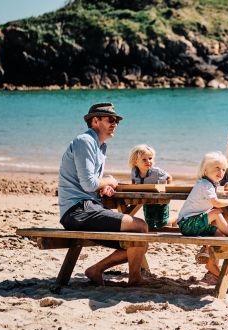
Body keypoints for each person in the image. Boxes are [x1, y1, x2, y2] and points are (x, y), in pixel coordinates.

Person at [58, 102, 150, 286]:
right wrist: (109, 180)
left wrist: (102, 187)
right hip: (77, 211)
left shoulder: (100, 146)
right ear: (95, 121)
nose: (115, 123)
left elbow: (90, 182)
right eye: (110, 119)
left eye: (116, 120)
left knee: (140, 240)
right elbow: (88, 183)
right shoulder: (85, 141)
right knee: (140, 228)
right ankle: (134, 279)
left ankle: (97, 270)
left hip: (87, 207)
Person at [177, 151, 228, 284]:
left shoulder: (209, 184)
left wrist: (224, 189)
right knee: (216, 212)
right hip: (188, 223)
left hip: (198, 223)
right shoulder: (204, 185)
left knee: (219, 237)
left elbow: (216, 191)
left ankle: (212, 265)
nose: (221, 172)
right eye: (217, 168)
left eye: (223, 169)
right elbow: (216, 203)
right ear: (205, 170)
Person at [128, 144, 176, 228]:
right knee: (149, 223)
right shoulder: (134, 171)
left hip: (160, 200)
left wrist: (164, 189)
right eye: (144, 159)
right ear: (135, 162)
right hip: (146, 200)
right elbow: (133, 180)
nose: (148, 161)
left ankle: (174, 219)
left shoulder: (156, 172)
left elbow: (169, 177)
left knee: (162, 223)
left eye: (150, 158)